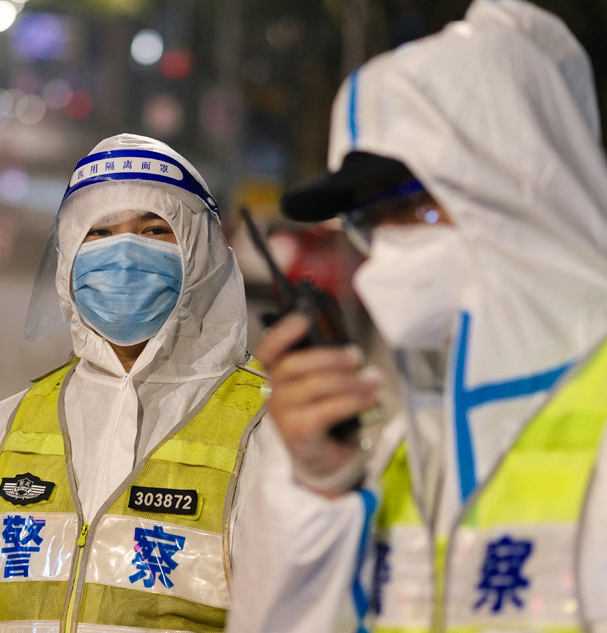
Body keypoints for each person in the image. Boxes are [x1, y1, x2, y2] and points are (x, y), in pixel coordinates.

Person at [226, 1, 607, 632]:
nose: (390, 249)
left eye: (418, 207)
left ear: (519, 195)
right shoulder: (401, 453)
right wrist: (313, 494)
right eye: (372, 220)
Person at [0, 133, 276, 632]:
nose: (124, 254)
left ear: (202, 253)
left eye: (154, 230)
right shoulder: (9, 426)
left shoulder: (267, 429)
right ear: (68, 259)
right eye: (100, 233)